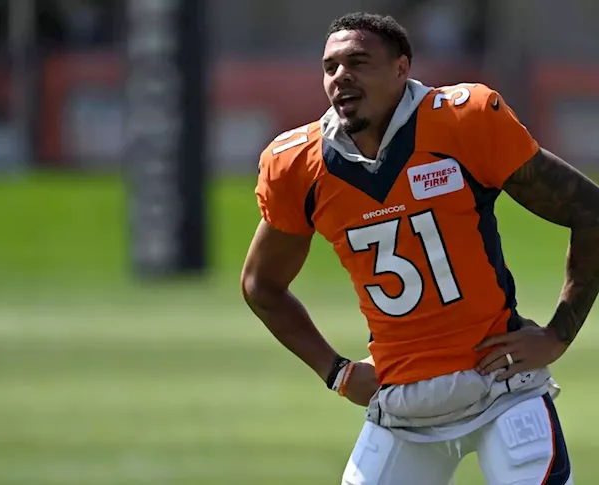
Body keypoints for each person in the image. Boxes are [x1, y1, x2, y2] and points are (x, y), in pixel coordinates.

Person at [241, 12, 597, 485]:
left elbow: (591, 211)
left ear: (401, 68)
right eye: (330, 67)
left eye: (358, 62)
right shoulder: (298, 166)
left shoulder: (461, 121)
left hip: (500, 387)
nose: (340, 77)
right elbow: (260, 284)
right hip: (402, 401)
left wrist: (559, 334)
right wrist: (337, 372)